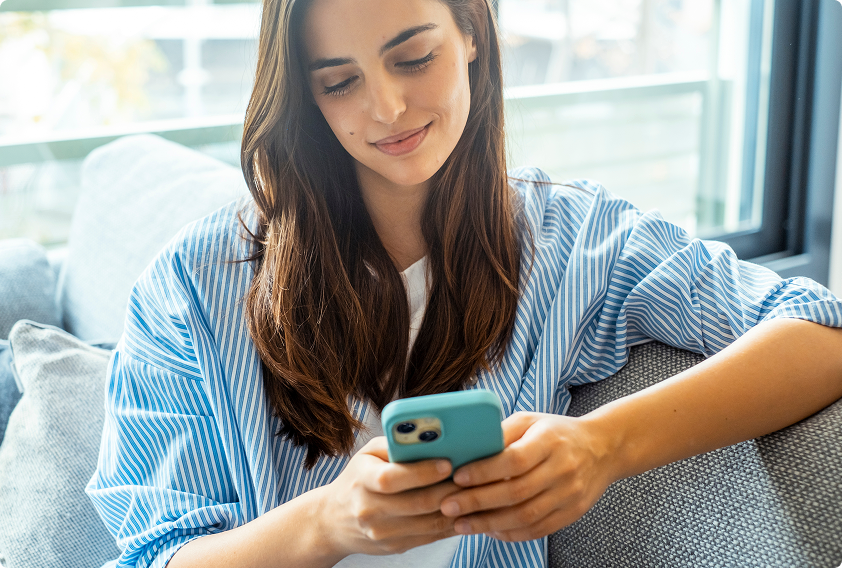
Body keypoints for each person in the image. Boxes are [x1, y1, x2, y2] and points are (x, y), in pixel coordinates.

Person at [85, 0, 842, 566]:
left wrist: (604, 446)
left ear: (472, 33)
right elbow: (157, 555)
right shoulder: (191, 287)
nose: (386, 107)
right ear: (305, 98)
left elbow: (821, 329)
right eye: (340, 82)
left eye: (413, 58)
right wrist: (327, 523)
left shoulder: (573, 241)